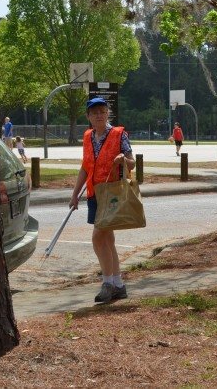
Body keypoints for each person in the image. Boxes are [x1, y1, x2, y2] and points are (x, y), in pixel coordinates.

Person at [69, 97, 135, 303]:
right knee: (107, 239)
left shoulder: (119, 135)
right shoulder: (88, 137)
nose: (99, 115)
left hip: (112, 194)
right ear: (88, 117)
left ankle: (107, 283)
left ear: (108, 114)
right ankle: (118, 284)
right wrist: (75, 194)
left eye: (102, 111)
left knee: (98, 237)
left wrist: (123, 159)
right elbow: (85, 166)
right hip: (94, 194)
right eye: (94, 112)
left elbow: (132, 163)